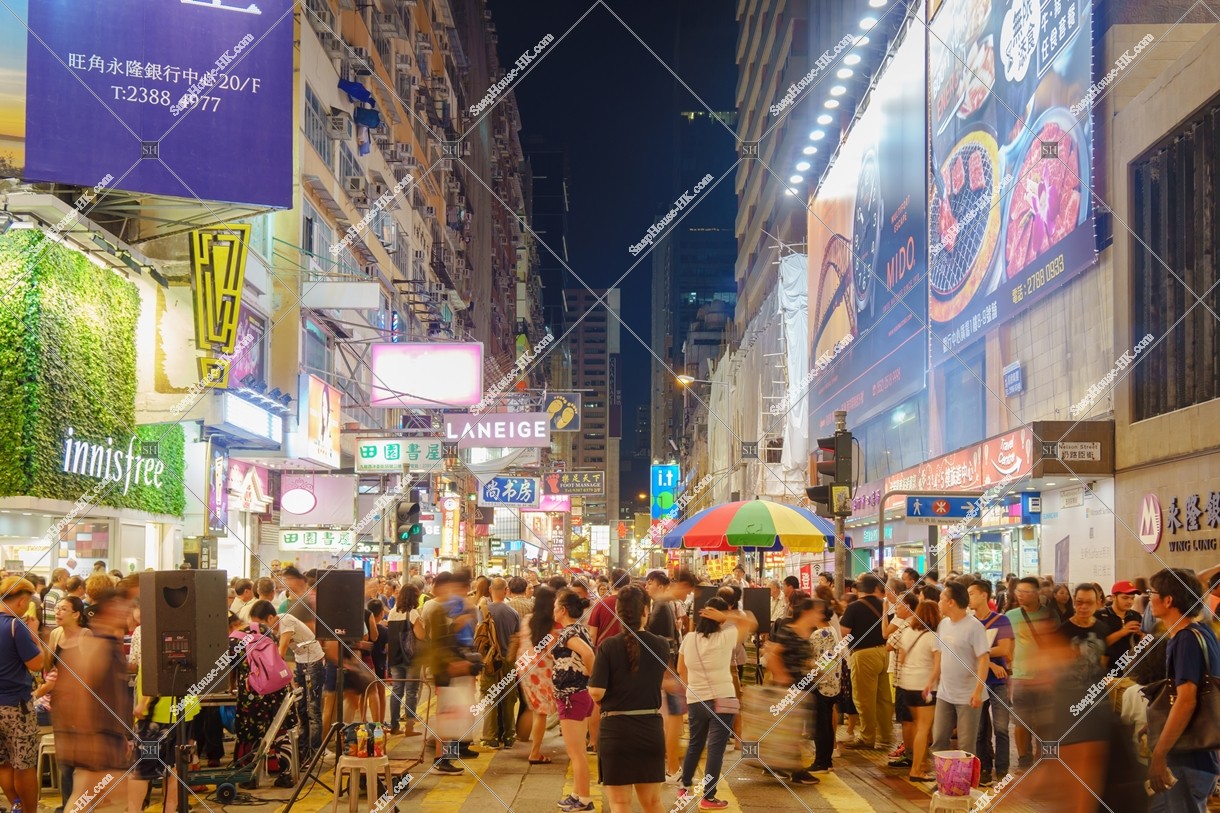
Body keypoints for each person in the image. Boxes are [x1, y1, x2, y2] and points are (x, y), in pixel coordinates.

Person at [1145, 568, 1220, 812]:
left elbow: (1186, 701)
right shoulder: (1204, 631)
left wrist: (1159, 753)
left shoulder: (1185, 639)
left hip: (1188, 757)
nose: (1148, 598)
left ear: (1168, 600)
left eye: (1152, 592)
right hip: (1202, 755)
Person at [588, 585, 668, 813]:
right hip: (650, 729)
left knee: (620, 804)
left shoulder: (608, 646)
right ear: (645, 611)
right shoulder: (661, 645)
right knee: (652, 803)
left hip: (616, 731)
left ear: (617, 612)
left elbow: (596, 692)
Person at [56, 587, 135, 813]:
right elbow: (77, 693)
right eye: (123, 608)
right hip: (98, 742)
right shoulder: (96, 644)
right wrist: (88, 739)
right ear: (109, 610)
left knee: (106, 802)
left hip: (106, 740)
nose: (127, 613)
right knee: (85, 801)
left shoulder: (106, 643)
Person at [676, 597, 756, 808]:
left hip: (695, 699)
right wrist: (727, 616)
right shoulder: (726, 636)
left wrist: (689, 691)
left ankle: (684, 788)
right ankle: (708, 797)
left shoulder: (689, 638)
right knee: (715, 749)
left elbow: (680, 670)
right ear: (719, 618)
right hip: (725, 697)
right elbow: (750, 621)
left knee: (695, 743)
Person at [927, 581, 991, 756]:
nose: (938, 603)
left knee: (965, 745)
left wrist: (978, 691)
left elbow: (984, 659)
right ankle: (943, 782)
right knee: (939, 739)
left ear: (951, 602)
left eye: (941, 599)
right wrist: (932, 680)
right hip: (945, 693)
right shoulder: (944, 624)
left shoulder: (974, 626)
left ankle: (963, 783)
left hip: (968, 696)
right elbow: (939, 654)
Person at [764, 595, 821, 785]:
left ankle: (778, 766)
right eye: (816, 612)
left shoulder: (805, 633)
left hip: (802, 687)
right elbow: (772, 654)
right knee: (792, 730)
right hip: (789, 689)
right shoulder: (789, 631)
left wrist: (813, 669)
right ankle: (796, 771)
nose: (819, 616)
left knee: (792, 730)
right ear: (806, 612)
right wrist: (782, 677)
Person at [232, 601, 297, 765]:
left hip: (252, 691)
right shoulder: (266, 631)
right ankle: (284, 770)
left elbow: (232, 670)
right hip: (276, 687)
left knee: (251, 730)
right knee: (279, 728)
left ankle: (250, 774)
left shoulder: (233, 640)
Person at [0, 577, 44, 813]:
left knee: (4, 763)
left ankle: (15, 804)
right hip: (17, 706)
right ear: (23, 601)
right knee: (24, 765)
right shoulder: (16, 627)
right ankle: (28, 810)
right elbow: (37, 663)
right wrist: (34, 633)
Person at [1005, 575, 1057, 770]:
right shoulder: (1011, 616)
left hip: (1045, 677)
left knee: (1045, 721)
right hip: (1020, 676)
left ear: (1037, 593)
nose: (1021, 596)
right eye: (1018, 592)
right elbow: (1007, 646)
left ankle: (1042, 757)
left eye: (1026, 592)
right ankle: (1023, 758)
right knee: (1021, 720)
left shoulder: (1050, 615)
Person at [838, 574, 894, 751]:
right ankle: (886, 736)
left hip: (864, 655)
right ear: (876, 588)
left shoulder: (854, 607)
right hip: (885, 653)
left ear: (859, 589)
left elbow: (845, 633)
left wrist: (859, 637)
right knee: (884, 698)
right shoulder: (884, 605)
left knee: (864, 698)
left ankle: (867, 737)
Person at [552, 588, 595, 812]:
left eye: (555, 606)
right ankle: (577, 793)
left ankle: (584, 800)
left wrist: (593, 677)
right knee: (577, 751)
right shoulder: (579, 629)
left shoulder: (569, 634)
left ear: (563, 609)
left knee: (576, 753)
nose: (553, 610)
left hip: (572, 696)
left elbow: (588, 654)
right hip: (579, 694)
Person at [968, 578, 1013, 785]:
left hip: (998, 681)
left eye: (971, 594)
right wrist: (988, 660)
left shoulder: (1001, 620)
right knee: (980, 729)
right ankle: (984, 768)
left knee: (1001, 727)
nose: (968, 598)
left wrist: (982, 654)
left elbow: (1004, 649)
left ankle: (1002, 770)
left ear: (984, 595)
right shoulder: (968, 622)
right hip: (977, 680)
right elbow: (965, 652)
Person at [893, 600, 940, 782]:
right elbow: (938, 666)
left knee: (915, 725)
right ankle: (916, 770)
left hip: (907, 685)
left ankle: (920, 763)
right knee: (923, 728)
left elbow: (902, 658)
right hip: (925, 687)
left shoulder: (908, 632)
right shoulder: (933, 637)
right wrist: (930, 681)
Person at [276, 587, 325, 757]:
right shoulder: (275, 626)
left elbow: (280, 652)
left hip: (313, 661)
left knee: (313, 708)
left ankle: (316, 749)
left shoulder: (285, 621)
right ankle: (304, 748)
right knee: (302, 707)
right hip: (301, 661)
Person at [478, 578, 522, 749]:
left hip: (489, 662)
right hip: (508, 661)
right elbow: (516, 639)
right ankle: (509, 736)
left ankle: (490, 737)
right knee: (508, 699)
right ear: (506, 590)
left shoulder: (483, 611)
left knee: (490, 698)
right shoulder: (513, 613)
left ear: (490, 590)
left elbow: (479, 637)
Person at [519, 585, 559, 765]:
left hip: (525, 668)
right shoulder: (552, 624)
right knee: (541, 712)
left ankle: (524, 738)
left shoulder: (527, 619)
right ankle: (535, 753)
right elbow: (551, 652)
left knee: (533, 707)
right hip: (542, 670)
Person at [806, 598, 843, 774]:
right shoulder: (833, 631)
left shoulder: (819, 635)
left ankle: (821, 762)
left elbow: (824, 661)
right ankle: (825, 761)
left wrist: (809, 664)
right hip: (832, 683)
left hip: (821, 684)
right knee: (826, 724)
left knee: (821, 725)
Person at [386, 582, 423, 737]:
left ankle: (394, 726)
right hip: (411, 658)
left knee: (397, 691)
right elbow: (421, 635)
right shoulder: (413, 613)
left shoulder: (392, 612)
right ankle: (409, 727)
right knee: (412, 692)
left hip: (395, 657)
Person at [1099, 580, 1144, 675]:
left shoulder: (1135, 616)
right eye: (1125, 598)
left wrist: (1142, 636)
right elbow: (1096, 645)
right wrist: (1122, 632)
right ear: (1113, 597)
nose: (1129, 602)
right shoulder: (1101, 615)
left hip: (1131, 670)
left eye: (1132, 598)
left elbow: (1141, 644)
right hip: (1107, 671)